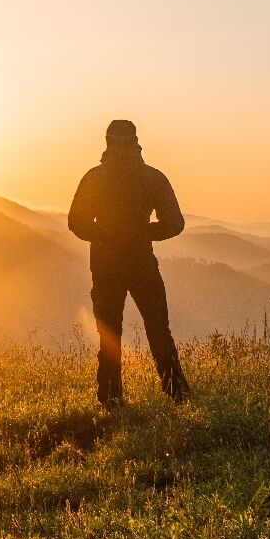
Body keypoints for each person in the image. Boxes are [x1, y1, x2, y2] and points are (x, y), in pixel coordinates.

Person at [67, 119, 189, 407]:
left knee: (109, 334)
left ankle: (111, 399)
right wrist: (142, 232)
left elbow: (76, 222)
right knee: (159, 329)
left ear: (107, 141)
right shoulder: (153, 177)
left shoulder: (94, 178)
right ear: (136, 141)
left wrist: (106, 235)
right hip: (142, 263)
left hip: (105, 264)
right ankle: (178, 395)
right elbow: (175, 223)